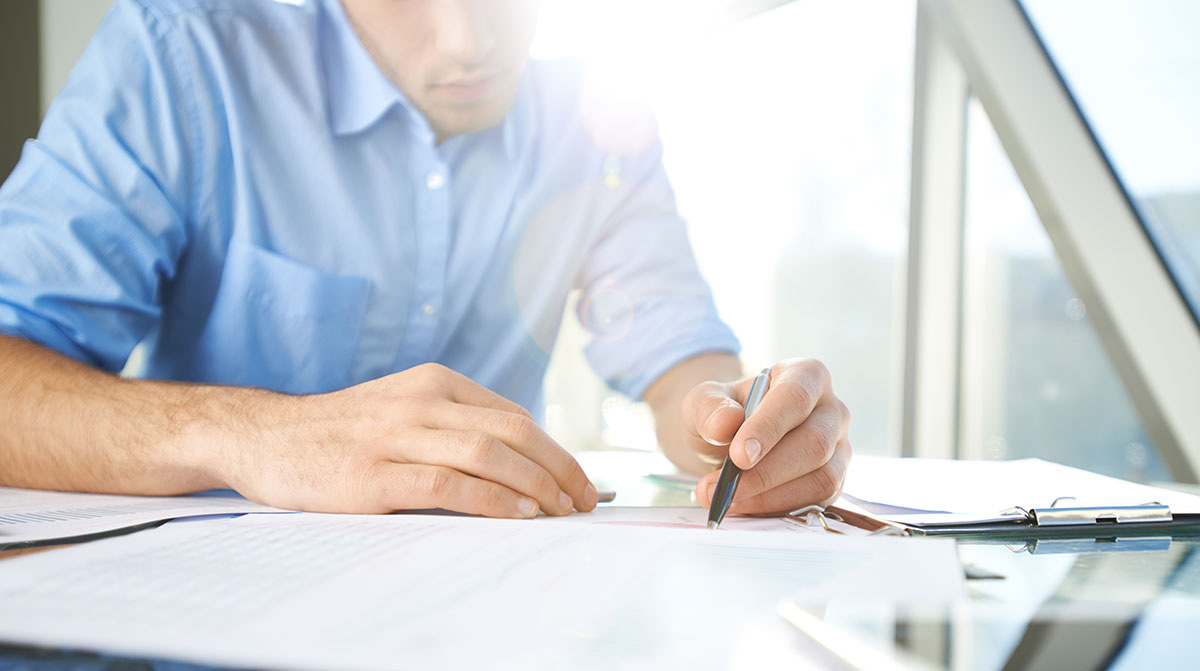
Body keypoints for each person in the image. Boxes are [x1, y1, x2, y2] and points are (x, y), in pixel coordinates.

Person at [0, 0, 851, 520]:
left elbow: (679, 365)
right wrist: (265, 436)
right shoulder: (180, 60)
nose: (467, 40)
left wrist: (740, 430)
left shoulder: (596, 121)